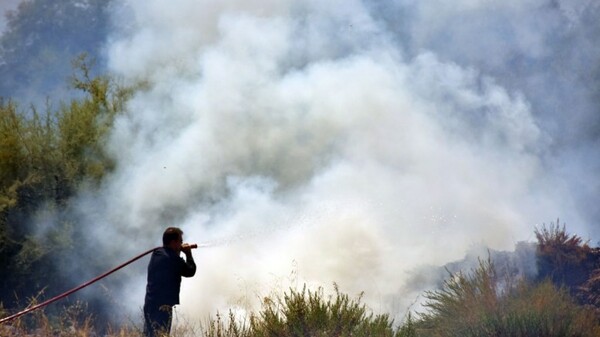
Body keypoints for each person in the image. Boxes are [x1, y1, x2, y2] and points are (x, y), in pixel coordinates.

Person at [143, 227, 196, 337]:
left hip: (150, 304)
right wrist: (188, 254)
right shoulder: (172, 258)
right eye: (180, 241)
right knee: (160, 334)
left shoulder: (157, 253)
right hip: (162, 307)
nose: (182, 244)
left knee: (149, 334)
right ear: (173, 242)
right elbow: (190, 271)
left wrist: (178, 252)